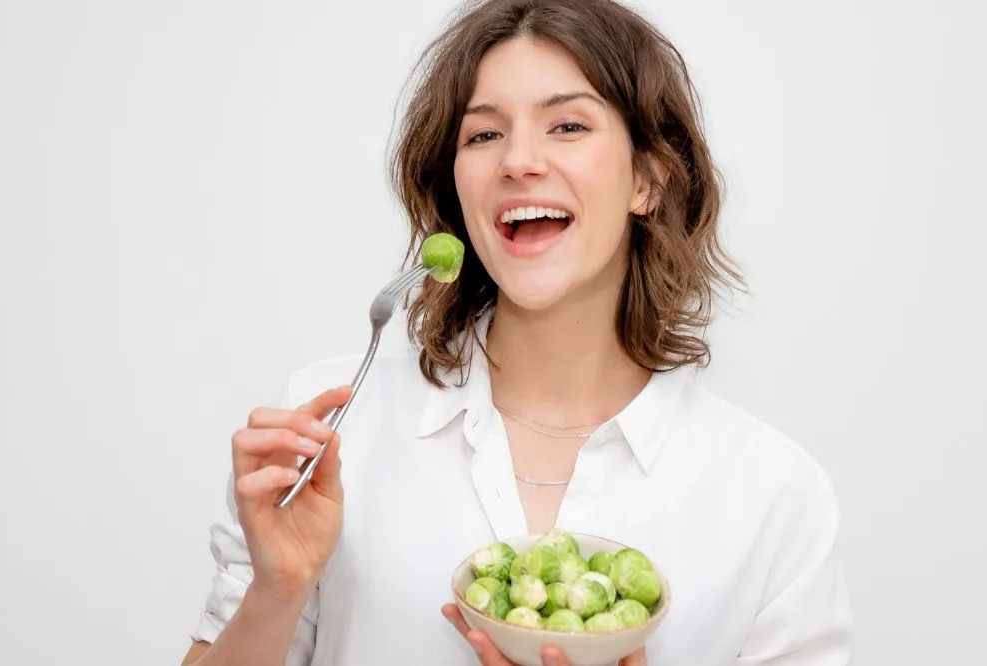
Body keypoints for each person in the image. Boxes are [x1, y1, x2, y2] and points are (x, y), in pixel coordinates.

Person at [180, 0, 854, 664]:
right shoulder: (331, 426)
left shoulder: (773, 496)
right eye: (482, 135)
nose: (517, 160)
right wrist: (279, 587)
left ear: (647, 180)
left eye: (565, 126)